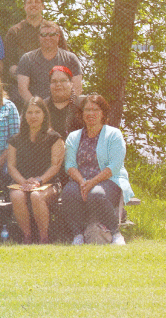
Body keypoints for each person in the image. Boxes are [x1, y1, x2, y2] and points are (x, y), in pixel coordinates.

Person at [62, 95, 134, 245]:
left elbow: (114, 166)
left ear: (103, 113)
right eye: (87, 110)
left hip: (108, 180)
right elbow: (69, 165)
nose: (91, 113)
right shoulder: (74, 137)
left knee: (96, 194)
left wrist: (92, 183)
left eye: (95, 109)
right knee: (68, 193)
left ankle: (116, 233)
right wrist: (82, 182)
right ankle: (78, 235)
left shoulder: (114, 135)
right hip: (80, 181)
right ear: (81, 114)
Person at [6, 97, 65, 244]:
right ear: (24, 115)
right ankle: (27, 236)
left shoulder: (54, 138)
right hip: (22, 183)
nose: (33, 116)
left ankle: (44, 238)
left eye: (37, 112)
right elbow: (11, 166)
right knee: (17, 196)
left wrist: (38, 181)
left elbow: (55, 166)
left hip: (48, 183)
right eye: (29, 112)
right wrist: (24, 182)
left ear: (44, 114)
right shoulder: (15, 139)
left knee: (36, 196)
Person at [4, 0, 68, 103]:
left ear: (43, 6)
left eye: (37, 2)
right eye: (29, 2)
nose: (33, 5)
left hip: (52, 84)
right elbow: (10, 64)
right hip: (23, 85)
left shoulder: (54, 30)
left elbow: (64, 58)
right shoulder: (14, 31)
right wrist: (25, 78)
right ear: (24, 7)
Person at [17, 21, 82, 103]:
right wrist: (37, 107)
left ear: (58, 36)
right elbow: (22, 89)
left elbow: (77, 88)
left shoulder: (70, 58)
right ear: (39, 37)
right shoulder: (27, 59)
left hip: (65, 108)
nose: (48, 38)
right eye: (44, 35)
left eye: (52, 34)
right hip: (36, 110)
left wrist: (66, 106)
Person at [45, 65, 83, 140]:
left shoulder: (82, 106)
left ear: (71, 84)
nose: (58, 84)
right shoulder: (42, 106)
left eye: (63, 80)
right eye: (54, 81)